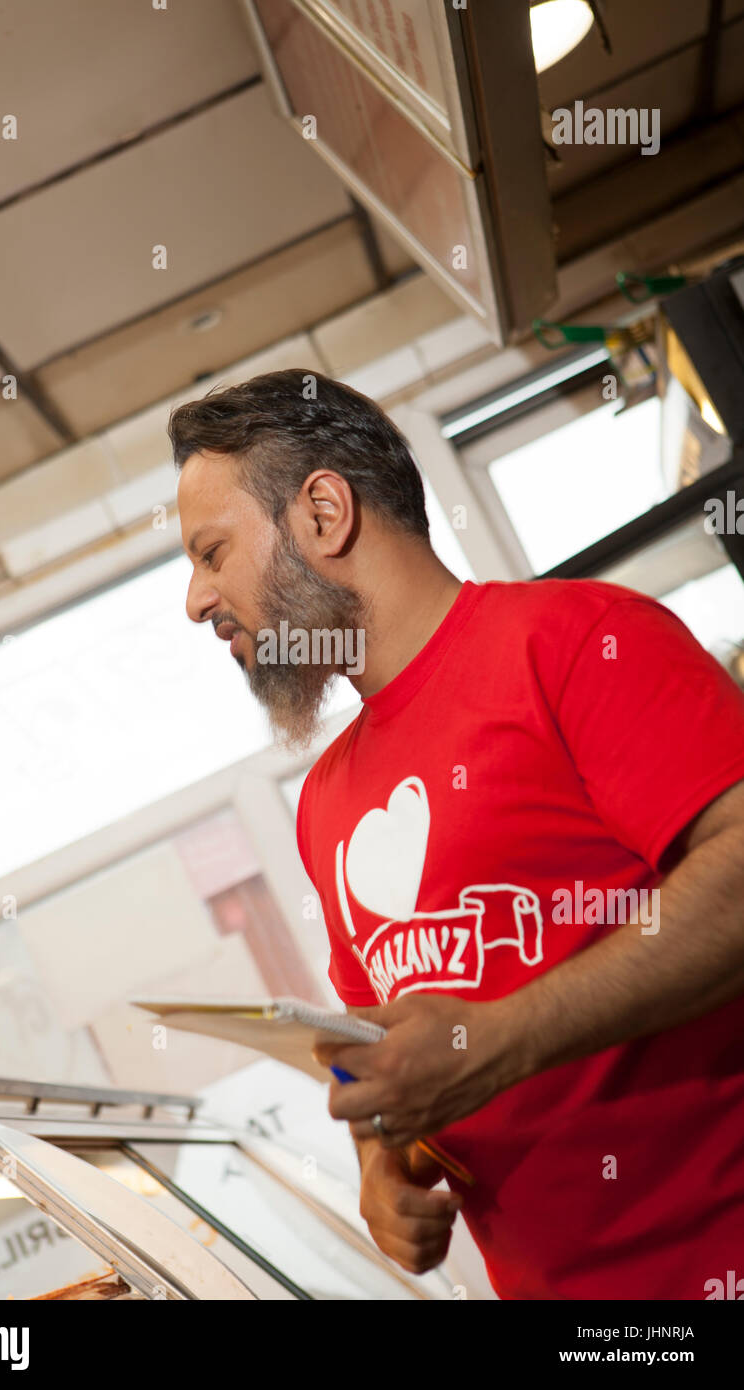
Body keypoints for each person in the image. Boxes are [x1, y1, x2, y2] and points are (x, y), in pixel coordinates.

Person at [170, 367, 744, 1300]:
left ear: (323, 513)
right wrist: (379, 1165)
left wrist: (501, 1042)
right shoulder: (325, 801)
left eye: (211, 552)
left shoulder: (579, 641)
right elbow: (379, 1043)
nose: (195, 601)